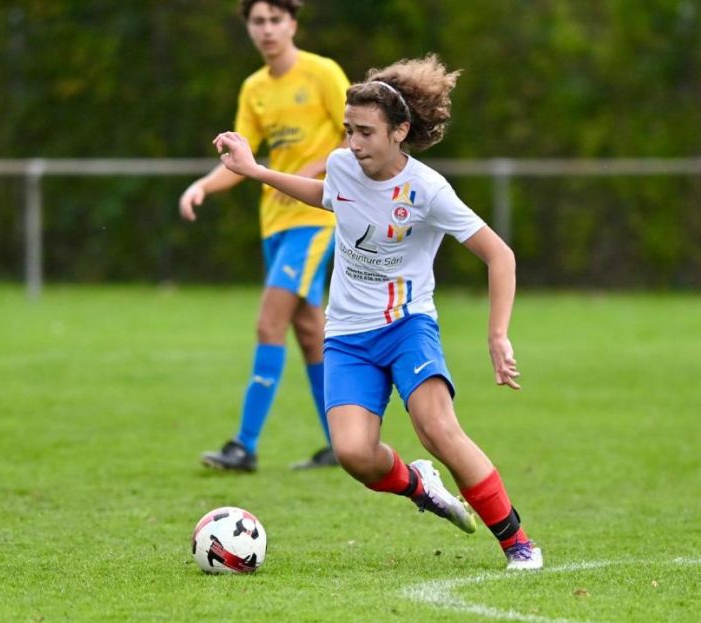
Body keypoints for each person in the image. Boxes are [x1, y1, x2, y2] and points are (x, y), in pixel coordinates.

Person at [212, 53, 543, 570]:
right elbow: (327, 196)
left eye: (365, 132)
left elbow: (500, 255)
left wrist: (497, 335)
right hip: (347, 335)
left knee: (437, 429)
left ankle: (517, 543)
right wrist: (255, 171)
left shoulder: (428, 190)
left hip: (407, 326)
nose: (353, 143)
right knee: (353, 454)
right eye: (348, 131)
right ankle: (420, 486)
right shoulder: (343, 165)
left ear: (399, 131)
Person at [179, 0, 350, 473]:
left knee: (268, 323)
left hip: (315, 220)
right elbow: (241, 162)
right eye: (258, 21)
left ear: (292, 23)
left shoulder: (322, 73)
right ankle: (341, 445)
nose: (268, 29)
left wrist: (313, 168)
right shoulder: (254, 87)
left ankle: (244, 445)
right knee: (310, 334)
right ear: (249, 28)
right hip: (274, 223)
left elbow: (356, 135)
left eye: (276, 20)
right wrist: (202, 186)